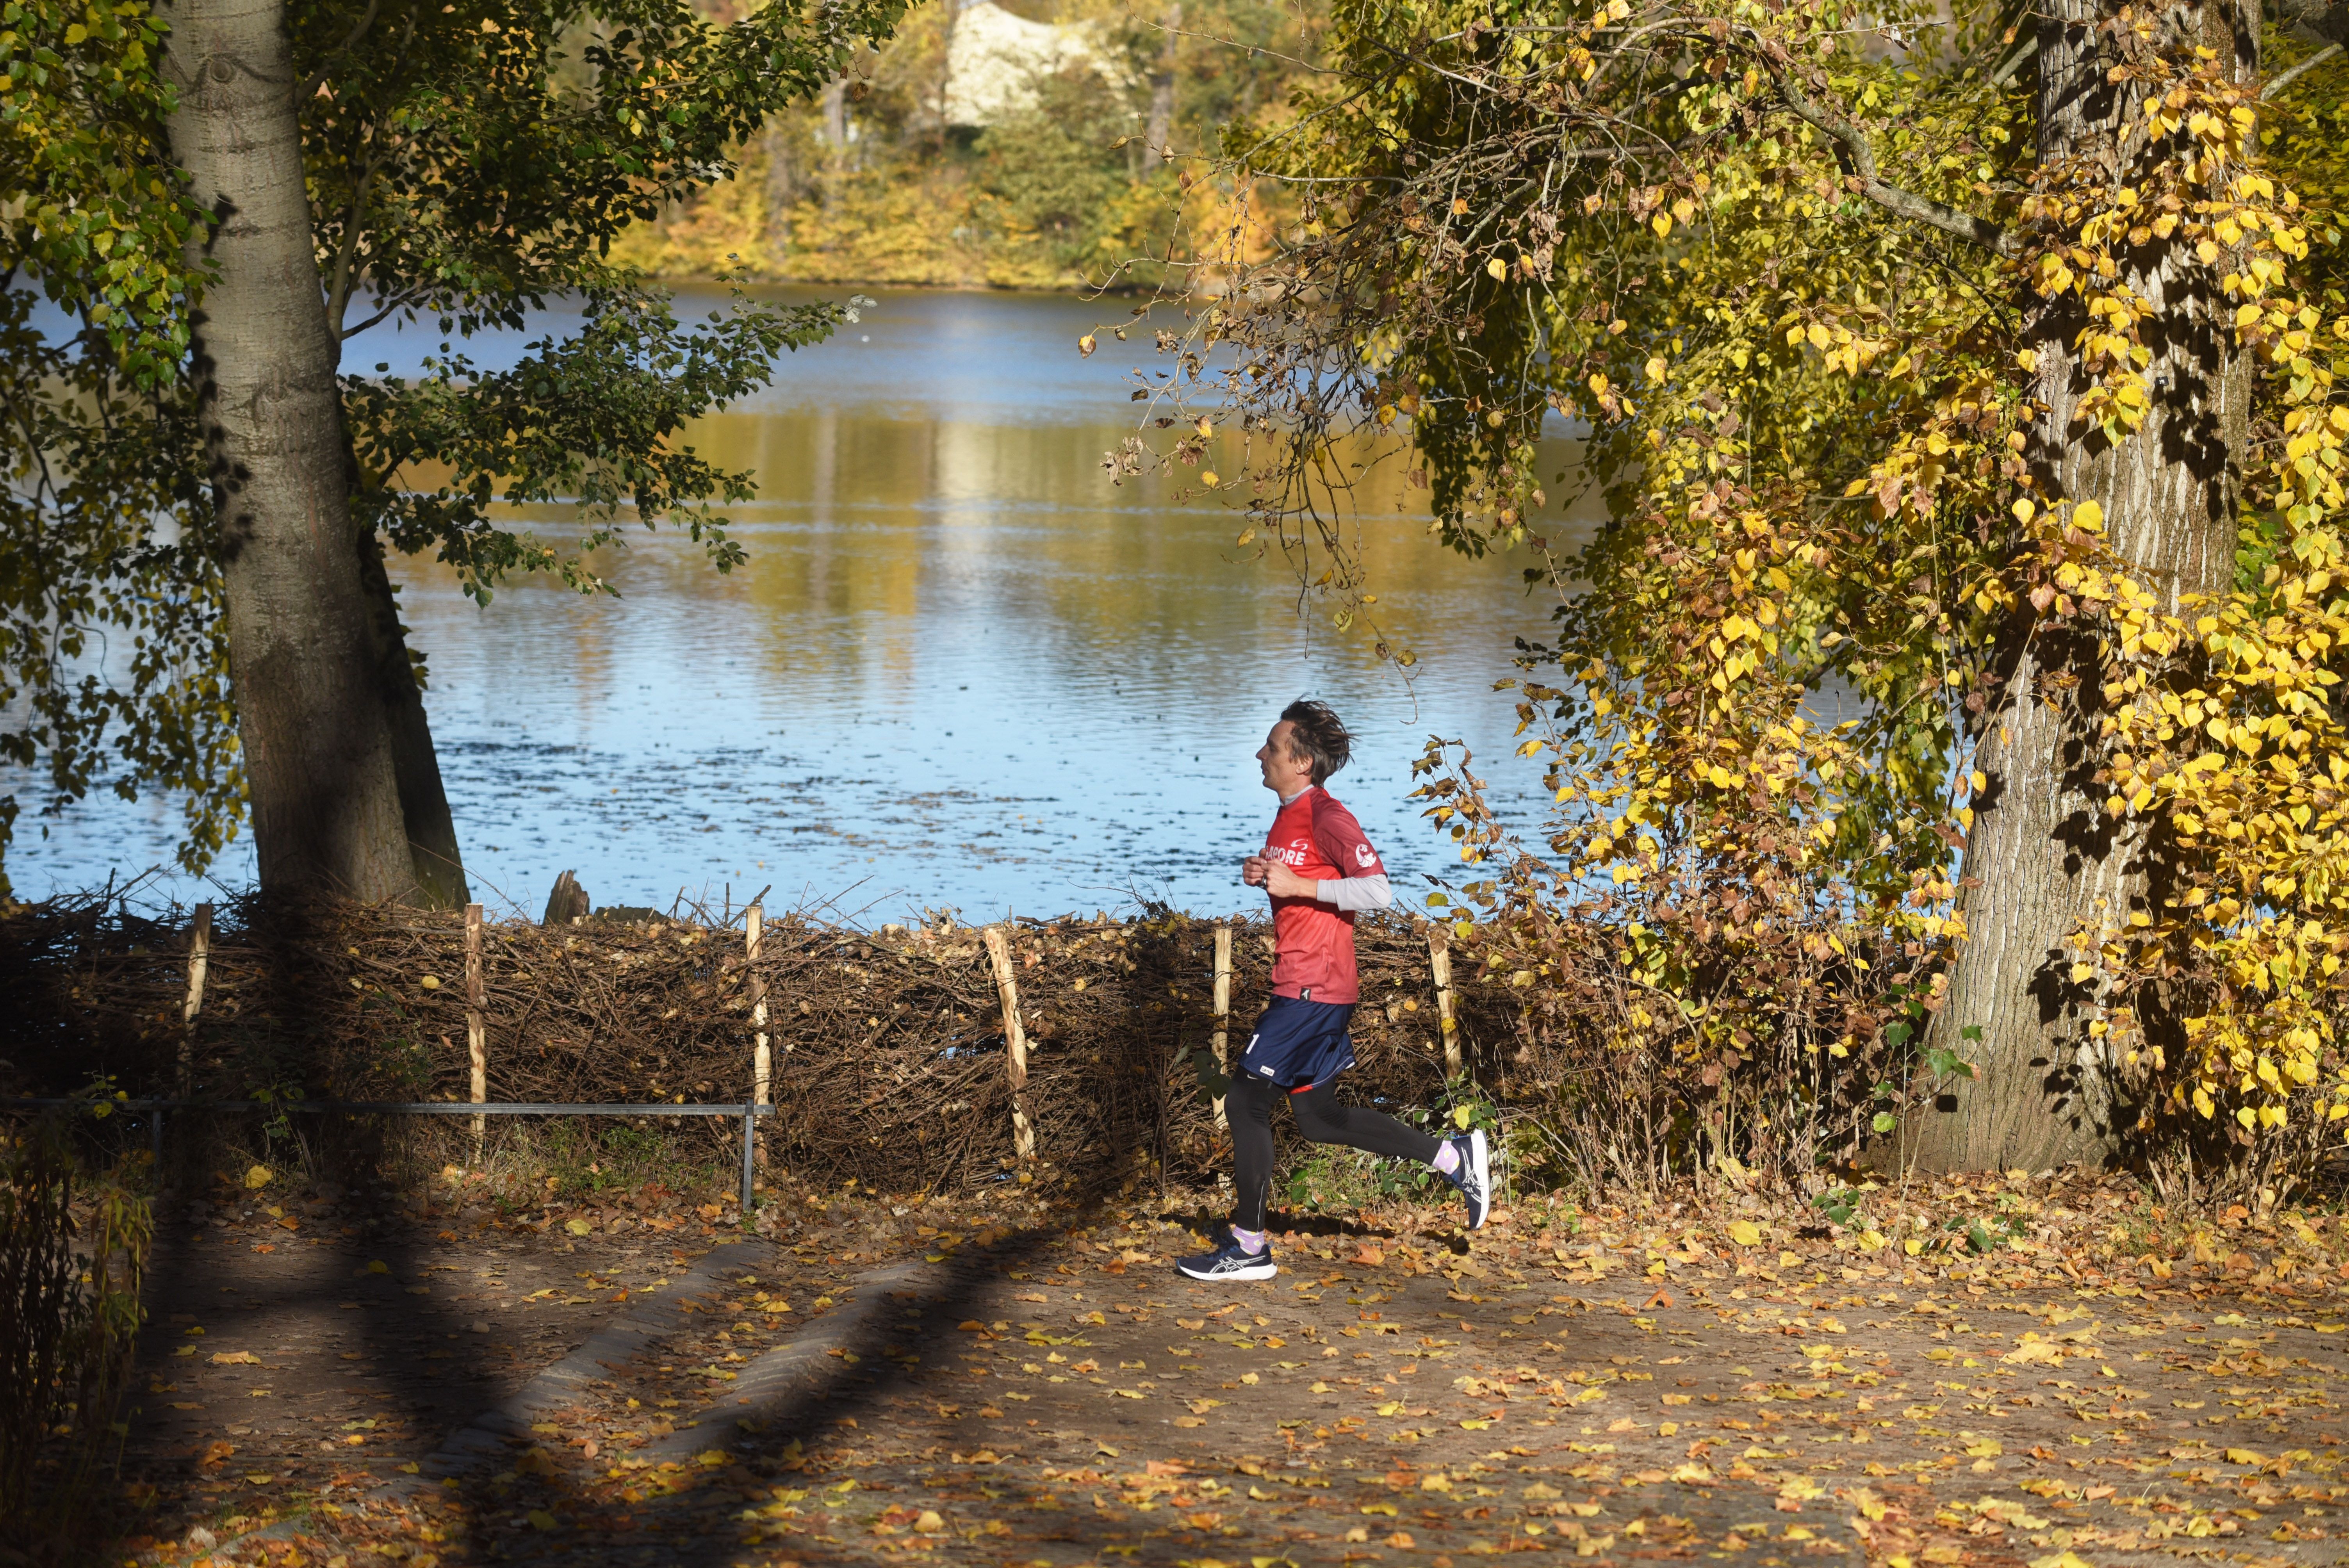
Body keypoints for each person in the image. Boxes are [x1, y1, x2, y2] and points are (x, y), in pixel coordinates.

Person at [1177, 699, 1490, 1283]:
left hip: (1313, 990)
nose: (1260, 755)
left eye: (1271, 747)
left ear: (1300, 761)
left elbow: (1377, 892)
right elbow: (1305, 879)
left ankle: (1248, 1248)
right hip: (1304, 987)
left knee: (1246, 1102)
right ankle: (1454, 1158)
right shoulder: (1287, 814)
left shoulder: (1327, 814)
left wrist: (1297, 883)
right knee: (1319, 1119)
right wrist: (1267, 873)